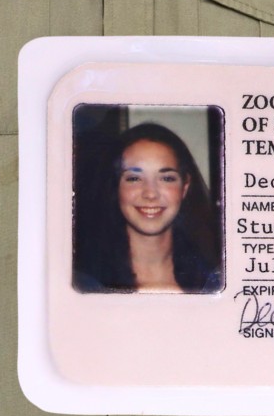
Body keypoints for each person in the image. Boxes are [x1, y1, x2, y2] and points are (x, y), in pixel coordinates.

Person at [75, 123, 223, 294]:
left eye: (166, 178)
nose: (150, 193)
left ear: (185, 187)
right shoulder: (84, 286)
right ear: (116, 187)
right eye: (134, 178)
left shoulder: (214, 282)